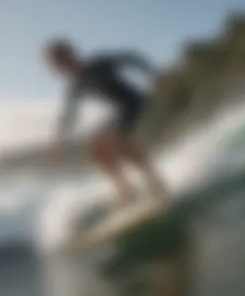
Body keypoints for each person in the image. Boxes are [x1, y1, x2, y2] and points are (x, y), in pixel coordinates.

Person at [44, 38, 167, 206]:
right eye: (57, 65)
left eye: (61, 61)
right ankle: (125, 188)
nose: (61, 68)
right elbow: (69, 115)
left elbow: (131, 57)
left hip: (134, 102)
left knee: (114, 139)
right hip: (121, 111)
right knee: (94, 147)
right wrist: (58, 141)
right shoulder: (76, 86)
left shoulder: (98, 65)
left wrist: (154, 74)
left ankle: (154, 181)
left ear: (71, 55)